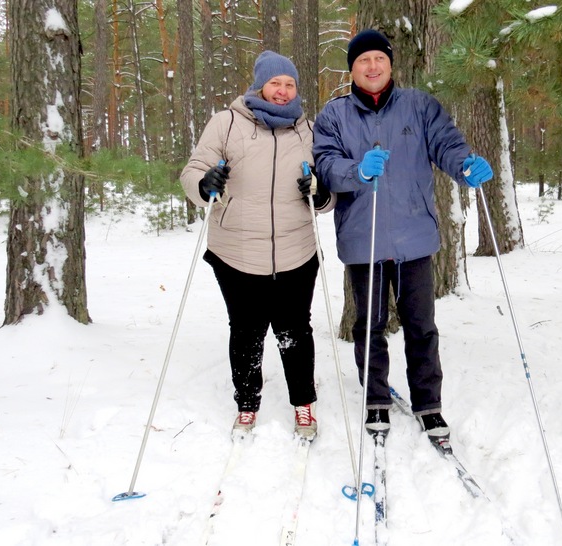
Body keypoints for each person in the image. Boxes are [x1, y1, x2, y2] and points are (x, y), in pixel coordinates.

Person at [312, 30, 494, 446]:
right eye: (363, 60)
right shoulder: (334, 115)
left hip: (414, 236)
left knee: (421, 326)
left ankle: (428, 404)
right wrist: (357, 171)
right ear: (352, 69)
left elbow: (447, 145)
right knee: (369, 326)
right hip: (364, 238)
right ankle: (375, 398)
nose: (372, 66)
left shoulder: (420, 105)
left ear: (391, 64)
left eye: (379, 58)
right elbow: (325, 163)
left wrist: (465, 166)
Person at [180, 51, 334, 441]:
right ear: (259, 85)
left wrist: (319, 193)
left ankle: (303, 403)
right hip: (236, 250)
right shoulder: (227, 123)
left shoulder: (309, 130)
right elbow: (193, 170)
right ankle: (247, 403)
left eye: (289, 84)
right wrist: (204, 183)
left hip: (296, 249)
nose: (282, 91)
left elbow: (327, 191)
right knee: (247, 331)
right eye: (275, 83)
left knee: (295, 330)